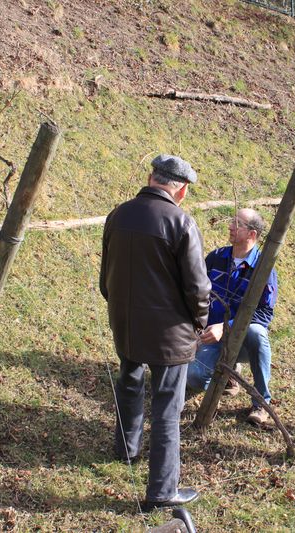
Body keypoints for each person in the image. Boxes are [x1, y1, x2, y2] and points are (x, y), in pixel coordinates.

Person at [99, 154, 211, 511]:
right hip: (169, 332)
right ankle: (162, 490)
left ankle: (126, 448)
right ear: (181, 190)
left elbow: (106, 276)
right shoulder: (181, 222)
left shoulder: (118, 213)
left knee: (130, 381)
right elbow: (198, 287)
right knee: (167, 406)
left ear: (152, 178)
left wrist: (118, 308)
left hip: (126, 322)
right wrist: (200, 322)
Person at [186, 208, 278, 427]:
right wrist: (196, 327)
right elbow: (195, 294)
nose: (230, 226)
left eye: (238, 223)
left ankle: (261, 403)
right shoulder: (216, 258)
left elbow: (265, 313)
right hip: (209, 337)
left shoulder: (263, 269)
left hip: (243, 340)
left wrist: (225, 327)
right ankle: (226, 378)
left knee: (257, 333)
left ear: (252, 235)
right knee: (194, 377)